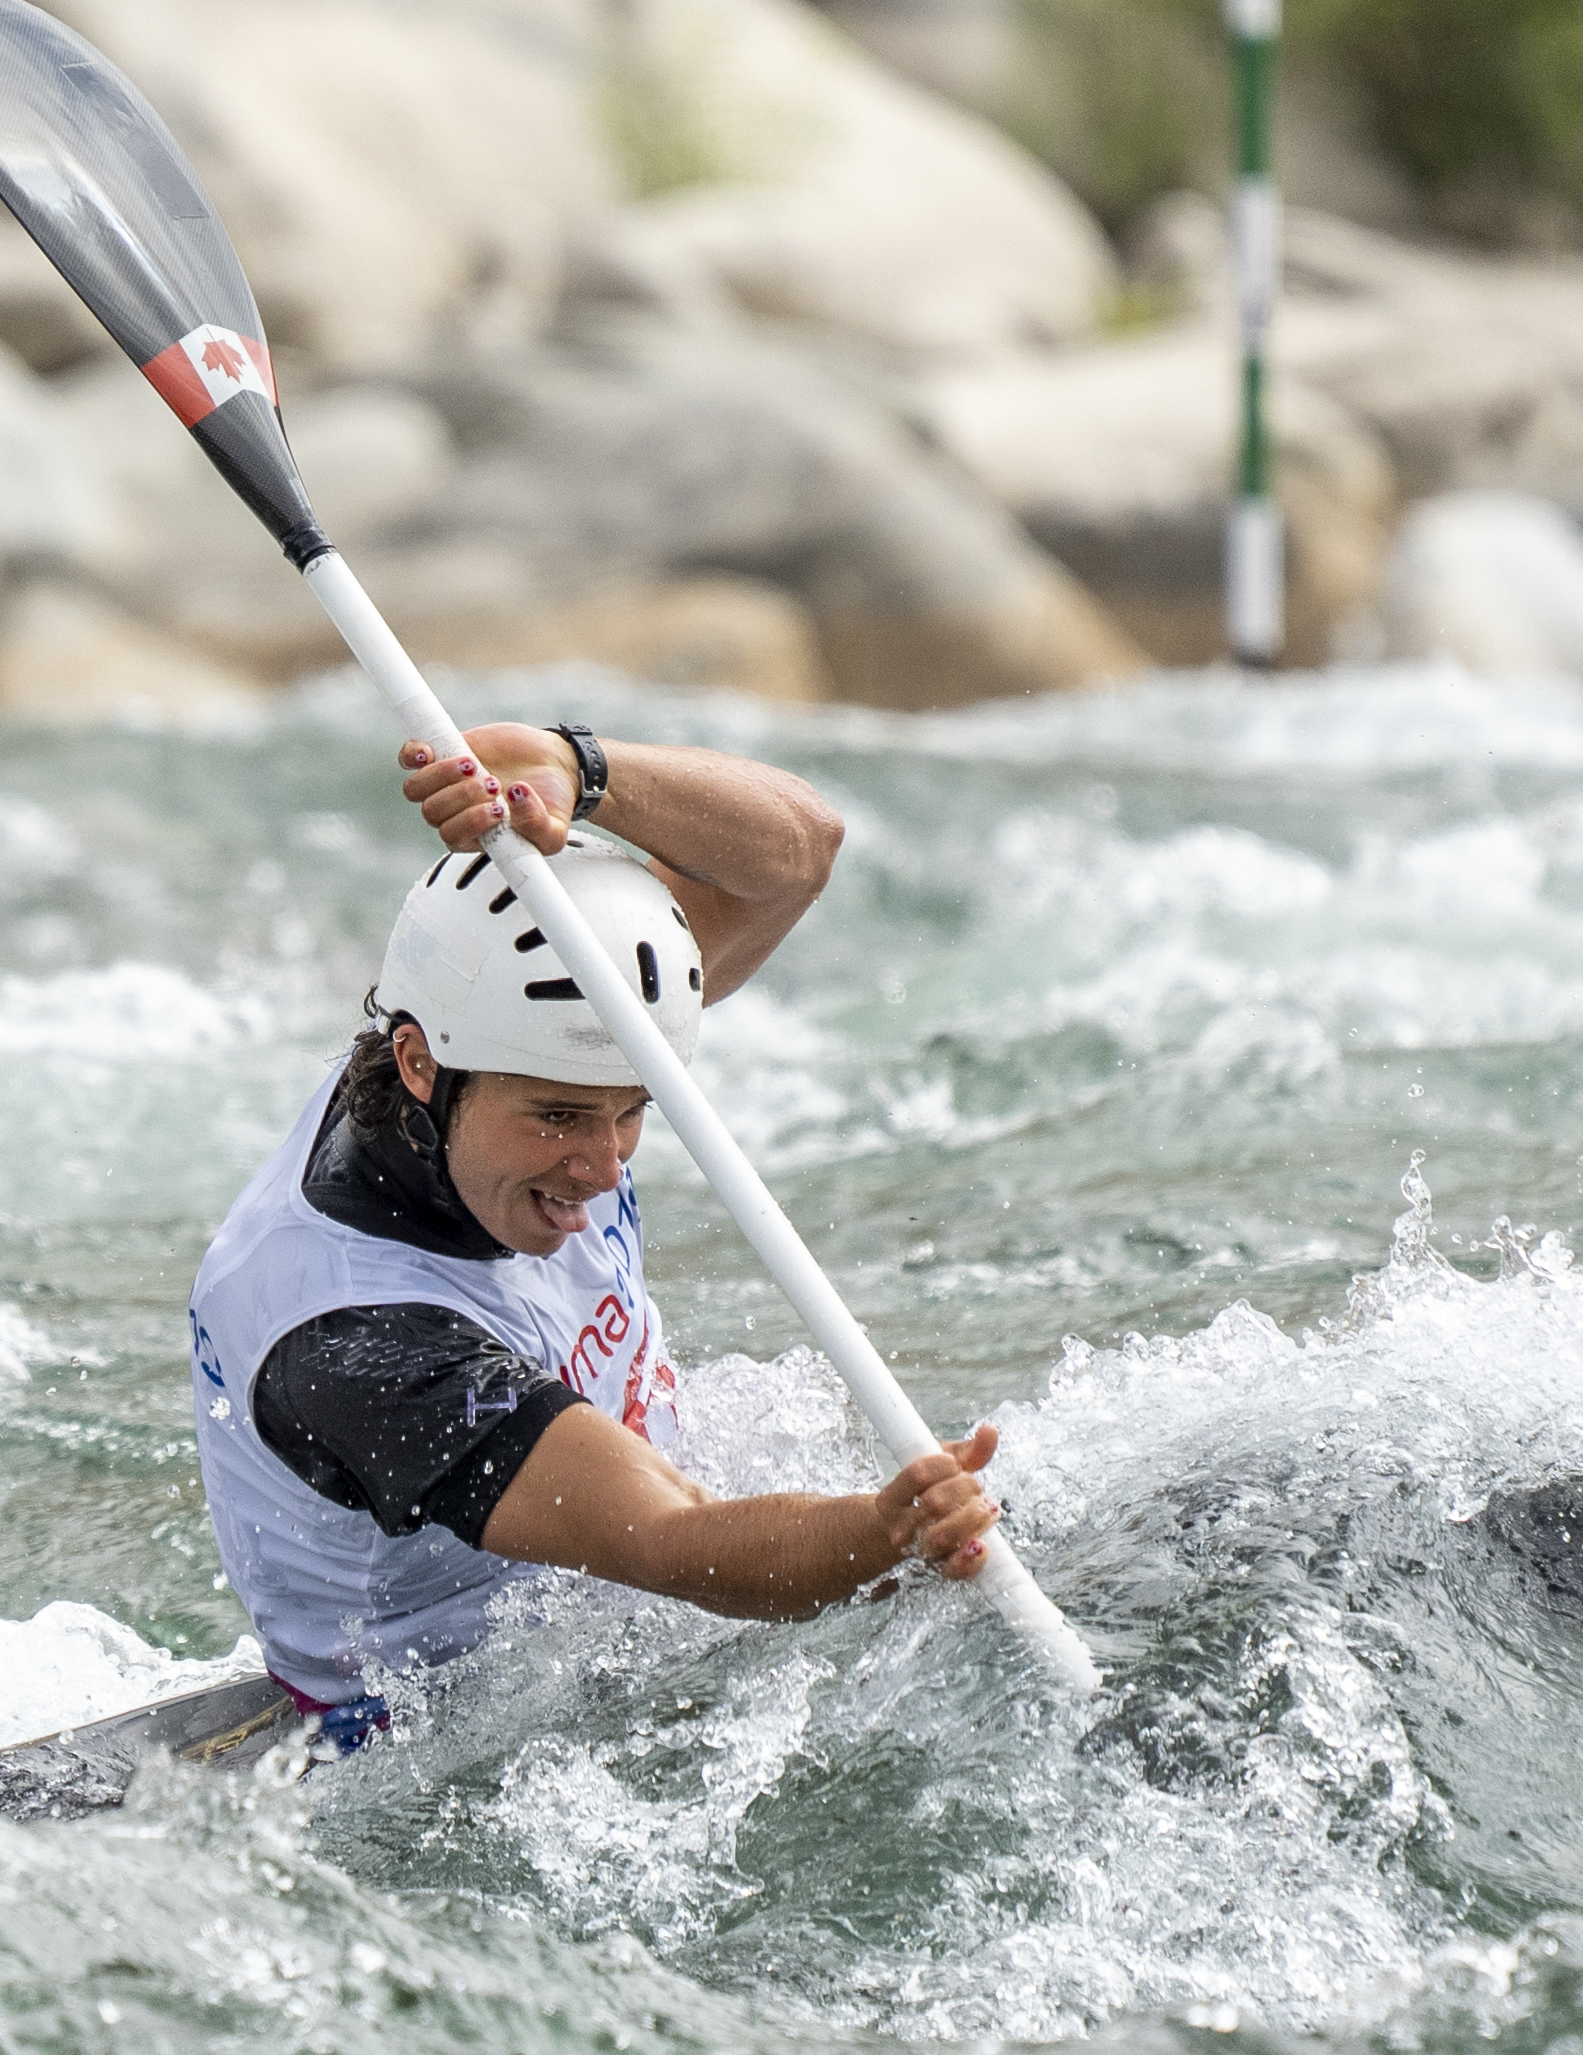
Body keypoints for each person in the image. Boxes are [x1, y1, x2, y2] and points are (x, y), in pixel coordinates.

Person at [185, 719, 1000, 1747]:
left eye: (634, 1109)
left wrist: (583, 769)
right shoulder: (359, 1343)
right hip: (435, 1742)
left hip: (600, 1603)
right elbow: (675, 1541)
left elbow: (798, 854)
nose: (606, 1167)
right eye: (561, 1118)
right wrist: (885, 1534)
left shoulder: (498, 1056)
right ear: (421, 1064)